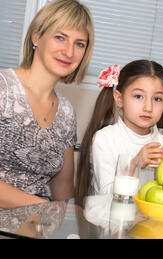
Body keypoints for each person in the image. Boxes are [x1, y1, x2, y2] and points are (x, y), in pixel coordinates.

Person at [0, 0, 94, 208]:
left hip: (40, 226)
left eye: (79, 44)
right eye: (60, 38)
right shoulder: (3, 89)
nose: (69, 52)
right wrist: (43, 207)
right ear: (37, 37)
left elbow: (63, 190)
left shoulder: (67, 113)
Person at [75, 60, 163, 198]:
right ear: (119, 99)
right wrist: (135, 164)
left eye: (157, 99)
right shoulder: (105, 139)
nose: (148, 107)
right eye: (138, 96)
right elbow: (106, 194)